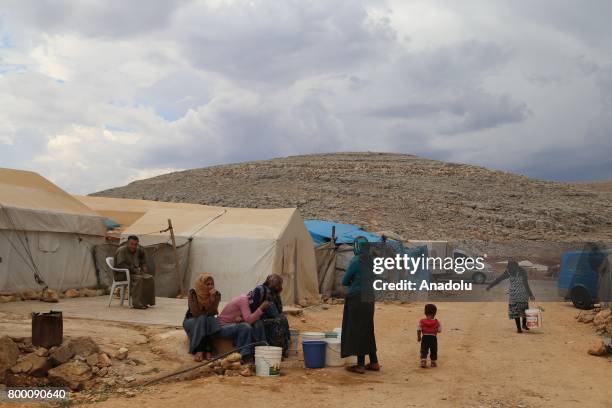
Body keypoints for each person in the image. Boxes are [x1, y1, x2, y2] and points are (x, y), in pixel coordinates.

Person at [341, 236, 380, 374]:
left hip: (357, 298)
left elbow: (344, 281)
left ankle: (360, 365)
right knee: (368, 328)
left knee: (358, 329)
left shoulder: (356, 261)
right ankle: (374, 362)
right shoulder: (373, 261)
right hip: (370, 298)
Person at [218, 291, 268, 363]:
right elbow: (248, 320)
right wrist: (261, 308)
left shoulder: (249, 301)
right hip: (223, 327)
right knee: (245, 327)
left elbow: (247, 318)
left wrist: (242, 319)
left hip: (232, 325)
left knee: (258, 323)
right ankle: (244, 355)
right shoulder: (243, 300)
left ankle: (261, 352)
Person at [486, 259, 535, 333]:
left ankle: (519, 329)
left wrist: (490, 286)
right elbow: (526, 285)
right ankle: (524, 325)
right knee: (524, 310)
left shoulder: (509, 272)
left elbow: (499, 279)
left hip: (514, 295)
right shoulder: (522, 271)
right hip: (523, 294)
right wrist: (531, 295)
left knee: (516, 311)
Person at [249, 274, 291, 357]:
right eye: (278, 284)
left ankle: (281, 350)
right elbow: (252, 309)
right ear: (272, 284)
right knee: (277, 321)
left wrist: (278, 295)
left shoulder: (274, 293)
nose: (279, 287)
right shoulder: (260, 290)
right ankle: (273, 350)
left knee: (283, 319)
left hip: (269, 318)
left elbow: (279, 310)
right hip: (258, 319)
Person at [183, 273, 221, 362]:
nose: (210, 286)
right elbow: (196, 312)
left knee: (209, 319)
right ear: (201, 284)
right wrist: (208, 302)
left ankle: (203, 350)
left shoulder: (216, 294)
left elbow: (212, 312)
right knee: (203, 318)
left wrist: (212, 299)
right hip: (192, 320)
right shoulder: (193, 293)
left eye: (212, 284)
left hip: (206, 320)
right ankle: (202, 350)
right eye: (207, 284)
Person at [114, 235, 155, 309]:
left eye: (135, 244)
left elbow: (143, 254)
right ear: (127, 243)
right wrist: (134, 270)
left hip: (133, 273)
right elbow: (121, 265)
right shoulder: (122, 250)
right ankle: (137, 304)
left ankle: (145, 302)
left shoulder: (138, 250)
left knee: (149, 278)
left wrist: (143, 265)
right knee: (139, 279)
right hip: (121, 274)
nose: (133, 246)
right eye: (131, 244)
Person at [417, 304, 441, 368]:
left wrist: (419, 337)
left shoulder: (422, 321)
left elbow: (419, 329)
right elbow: (439, 330)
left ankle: (423, 361)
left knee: (424, 349)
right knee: (434, 350)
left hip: (425, 337)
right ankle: (433, 362)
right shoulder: (437, 322)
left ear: (425, 312)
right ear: (435, 313)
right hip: (433, 338)